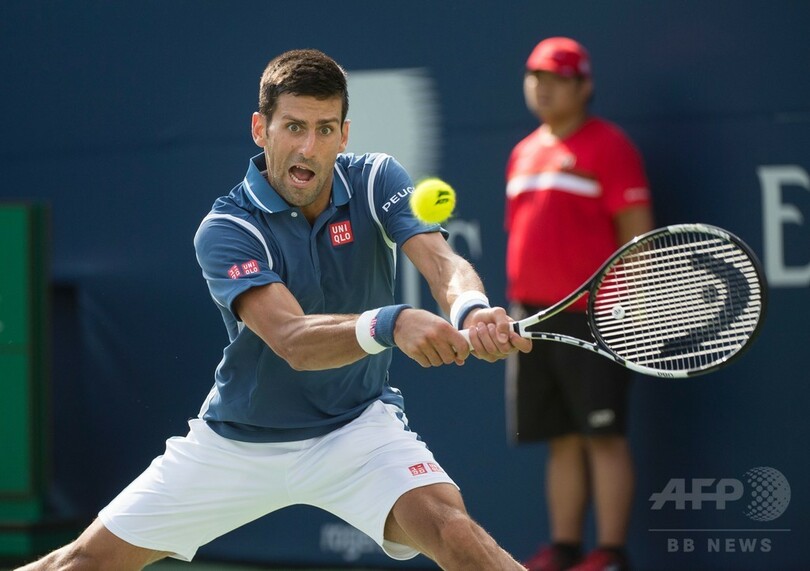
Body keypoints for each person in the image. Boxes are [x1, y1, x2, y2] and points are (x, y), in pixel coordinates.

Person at [17, 49, 531, 571]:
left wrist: (470, 309)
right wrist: (390, 322)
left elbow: (441, 260)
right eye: (294, 127)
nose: (309, 147)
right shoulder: (227, 229)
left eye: (326, 129)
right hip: (239, 442)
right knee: (80, 564)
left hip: (357, 428)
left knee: (458, 536)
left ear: (345, 135)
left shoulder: (377, 179)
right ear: (260, 129)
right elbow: (292, 340)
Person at [504, 38, 654, 571]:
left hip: (599, 319)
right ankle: (565, 548)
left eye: (557, 78)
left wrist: (624, 310)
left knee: (603, 437)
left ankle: (610, 554)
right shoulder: (523, 151)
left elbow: (638, 240)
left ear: (583, 86)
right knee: (561, 439)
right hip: (534, 318)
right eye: (535, 76)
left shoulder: (609, 147)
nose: (542, 87)